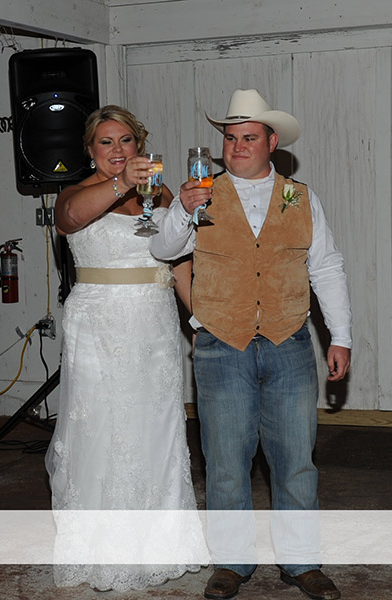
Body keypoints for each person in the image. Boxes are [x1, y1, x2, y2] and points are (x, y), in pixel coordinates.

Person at [149, 88, 351, 600]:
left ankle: (301, 562)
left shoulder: (300, 196)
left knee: (296, 460)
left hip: (289, 342)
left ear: (272, 142)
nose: (237, 146)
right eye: (230, 138)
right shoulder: (200, 193)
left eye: (249, 137)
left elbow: (327, 267)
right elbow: (164, 250)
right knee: (224, 462)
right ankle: (231, 562)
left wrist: (341, 336)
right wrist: (182, 211)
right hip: (222, 345)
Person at [46, 105, 203, 591]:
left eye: (126, 141)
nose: (117, 150)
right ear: (90, 149)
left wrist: (198, 319)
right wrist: (122, 183)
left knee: (158, 430)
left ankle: (160, 544)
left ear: (140, 145)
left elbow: (179, 260)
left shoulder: (159, 195)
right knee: (101, 431)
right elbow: (71, 219)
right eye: (106, 142)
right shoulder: (73, 194)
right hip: (99, 325)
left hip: (155, 324)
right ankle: (103, 549)